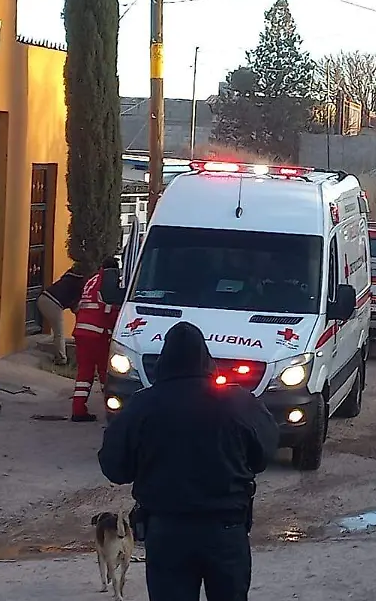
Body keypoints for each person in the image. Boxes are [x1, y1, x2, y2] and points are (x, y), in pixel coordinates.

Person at [98, 321, 279, 601]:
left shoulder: (144, 405)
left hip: (167, 532)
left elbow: (114, 466)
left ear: (164, 361)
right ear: (206, 360)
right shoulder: (237, 402)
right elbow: (264, 452)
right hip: (226, 530)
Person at [71, 257, 124, 422]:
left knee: (84, 373)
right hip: (97, 333)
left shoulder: (92, 280)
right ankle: (114, 410)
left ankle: (78, 410)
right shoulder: (107, 281)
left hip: (82, 331)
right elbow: (109, 308)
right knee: (105, 373)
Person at [37, 266, 86, 365]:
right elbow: (75, 307)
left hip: (44, 297)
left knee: (58, 332)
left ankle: (60, 357)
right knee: (59, 332)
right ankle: (61, 360)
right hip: (52, 303)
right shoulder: (80, 285)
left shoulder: (70, 276)